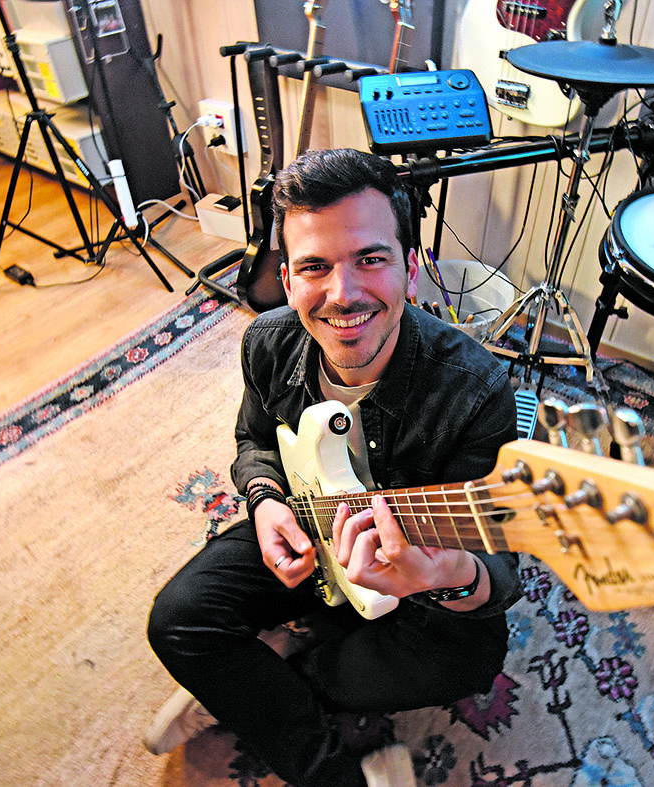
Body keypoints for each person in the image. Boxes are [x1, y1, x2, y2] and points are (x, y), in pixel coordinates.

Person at [146, 147, 521, 787]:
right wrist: (266, 500)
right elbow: (254, 440)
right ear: (287, 279)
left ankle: (257, 681)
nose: (343, 296)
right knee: (178, 620)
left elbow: (501, 569)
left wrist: (445, 573)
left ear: (411, 268)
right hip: (306, 523)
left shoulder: (476, 391)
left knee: (467, 663)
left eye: (370, 259)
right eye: (315, 266)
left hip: (413, 579)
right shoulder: (267, 340)